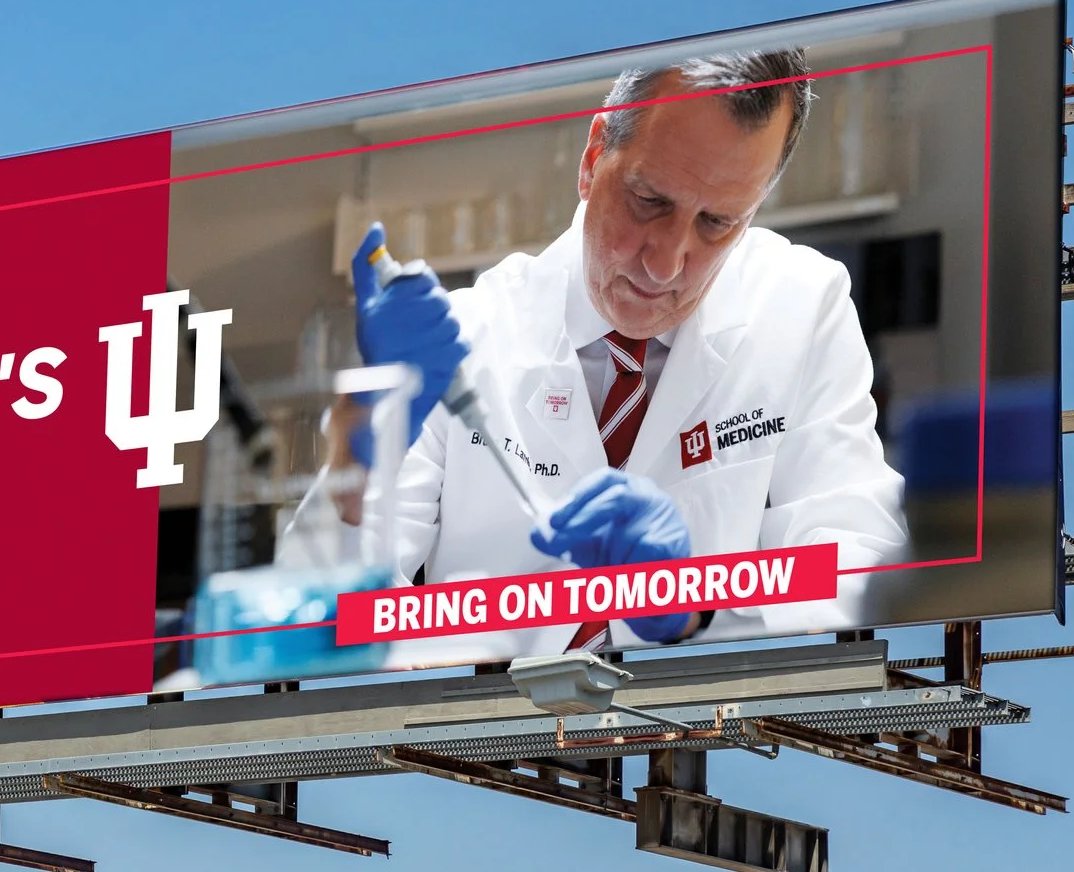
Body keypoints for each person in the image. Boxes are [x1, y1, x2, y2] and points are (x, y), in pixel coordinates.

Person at [283, 50, 907, 656]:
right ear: (593, 155)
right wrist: (357, 466)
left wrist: (695, 602)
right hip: (485, 749)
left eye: (718, 223)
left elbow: (861, 568)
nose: (665, 264)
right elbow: (311, 619)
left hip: (708, 749)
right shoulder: (469, 336)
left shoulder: (801, 306)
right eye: (649, 201)